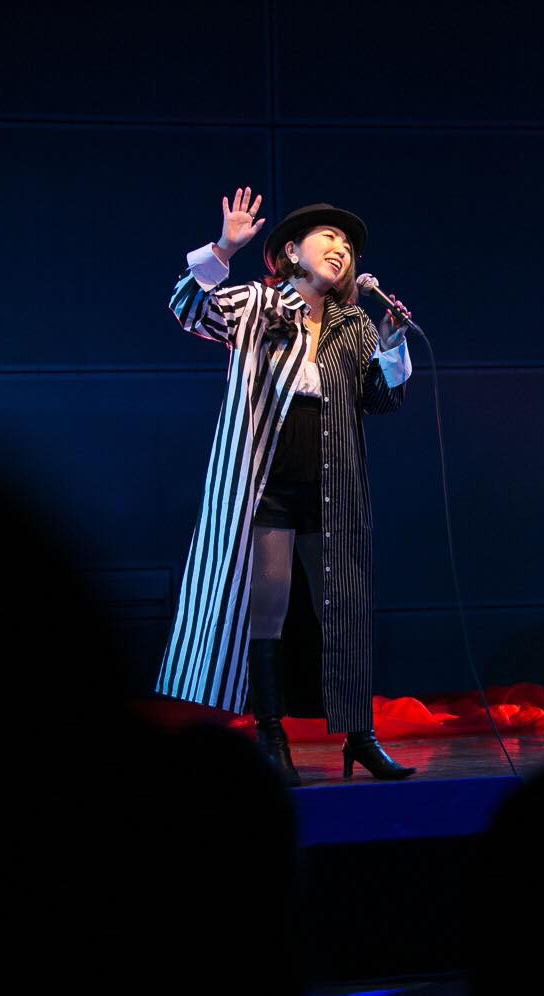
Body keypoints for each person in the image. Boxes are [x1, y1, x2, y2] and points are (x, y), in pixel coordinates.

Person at [156, 187, 416, 784]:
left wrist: (392, 342)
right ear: (292, 252)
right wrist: (224, 249)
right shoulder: (259, 304)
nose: (341, 247)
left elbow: (380, 400)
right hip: (267, 482)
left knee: (344, 611)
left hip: (333, 484)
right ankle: (271, 735)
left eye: (347, 243)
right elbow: (189, 308)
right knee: (266, 608)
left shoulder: (353, 325)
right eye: (328, 237)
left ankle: (360, 737)